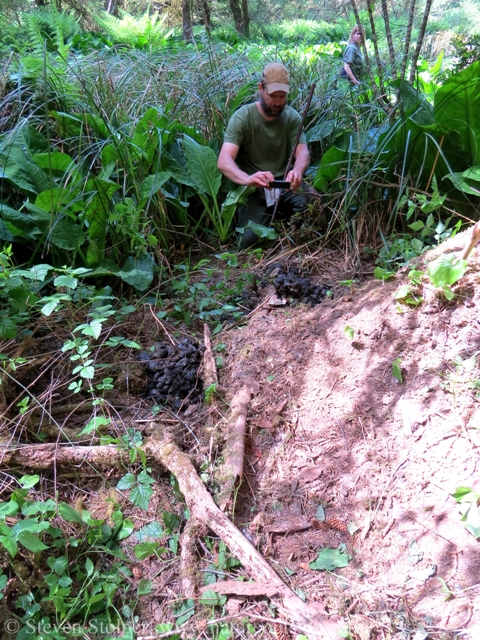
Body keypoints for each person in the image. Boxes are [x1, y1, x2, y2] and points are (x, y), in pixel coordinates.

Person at [217, 62, 310, 249]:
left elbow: (303, 153)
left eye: (282, 97)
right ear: (261, 89)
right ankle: (268, 219)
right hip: (255, 187)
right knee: (246, 242)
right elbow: (224, 160)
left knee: (310, 205)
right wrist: (247, 179)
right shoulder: (243, 117)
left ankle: (279, 222)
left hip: (284, 184)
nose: (277, 102)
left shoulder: (292, 118)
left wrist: (297, 171)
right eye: (272, 96)